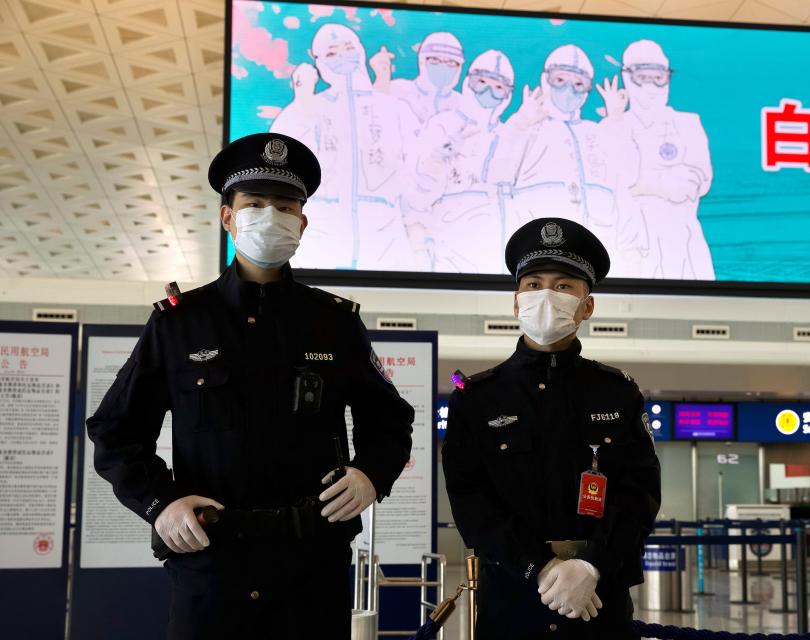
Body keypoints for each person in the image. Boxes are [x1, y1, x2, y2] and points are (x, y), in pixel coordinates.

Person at [86, 132, 415, 639]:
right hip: (211, 566)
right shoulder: (179, 324)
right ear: (228, 217)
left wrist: (371, 473)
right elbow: (115, 432)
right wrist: (160, 502)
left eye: (284, 206)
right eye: (254, 203)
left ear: (301, 224)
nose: (270, 215)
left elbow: (391, 420)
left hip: (311, 567)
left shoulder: (334, 323)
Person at [442, 218, 662, 639]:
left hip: (598, 598)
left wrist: (592, 564)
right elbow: (471, 502)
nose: (546, 295)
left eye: (563, 286)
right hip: (512, 597)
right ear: (515, 302)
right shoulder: (476, 398)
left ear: (587, 306)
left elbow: (640, 493)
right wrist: (541, 568)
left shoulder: (617, 393)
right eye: (533, 284)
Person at [270, 23, 424, 271]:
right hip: (322, 242)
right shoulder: (309, 108)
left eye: (349, 48)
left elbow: (417, 172)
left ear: (360, 51)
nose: (342, 57)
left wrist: (419, 240)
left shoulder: (394, 109)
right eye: (331, 53)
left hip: (386, 241)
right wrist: (302, 103)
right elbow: (276, 164)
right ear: (318, 62)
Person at [494, 45, 637, 257]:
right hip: (537, 251)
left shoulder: (596, 132)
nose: (569, 90)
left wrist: (616, 119)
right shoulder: (530, 129)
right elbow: (497, 172)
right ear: (546, 81)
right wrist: (520, 123)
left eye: (579, 84)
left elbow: (628, 175)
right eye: (560, 80)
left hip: (594, 253)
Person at [408, 49, 517, 274]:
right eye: (482, 83)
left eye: (498, 88)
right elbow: (416, 190)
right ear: (468, 83)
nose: (488, 92)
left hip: (495, 247)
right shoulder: (442, 124)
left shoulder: (507, 135)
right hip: (447, 242)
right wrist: (439, 158)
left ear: (507, 95)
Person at [617, 39, 714, 280]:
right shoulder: (614, 127)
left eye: (658, 78)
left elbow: (693, 184)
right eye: (643, 77)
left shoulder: (688, 123)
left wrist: (640, 182)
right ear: (627, 77)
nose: (651, 87)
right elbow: (612, 184)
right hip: (628, 246)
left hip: (682, 241)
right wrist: (663, 182)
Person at [388, 32, 465, 125]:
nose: (442, 67)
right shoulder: (397, 90)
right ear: (422, 61)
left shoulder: (462, 104)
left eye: (451, 62)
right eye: (434, 60)